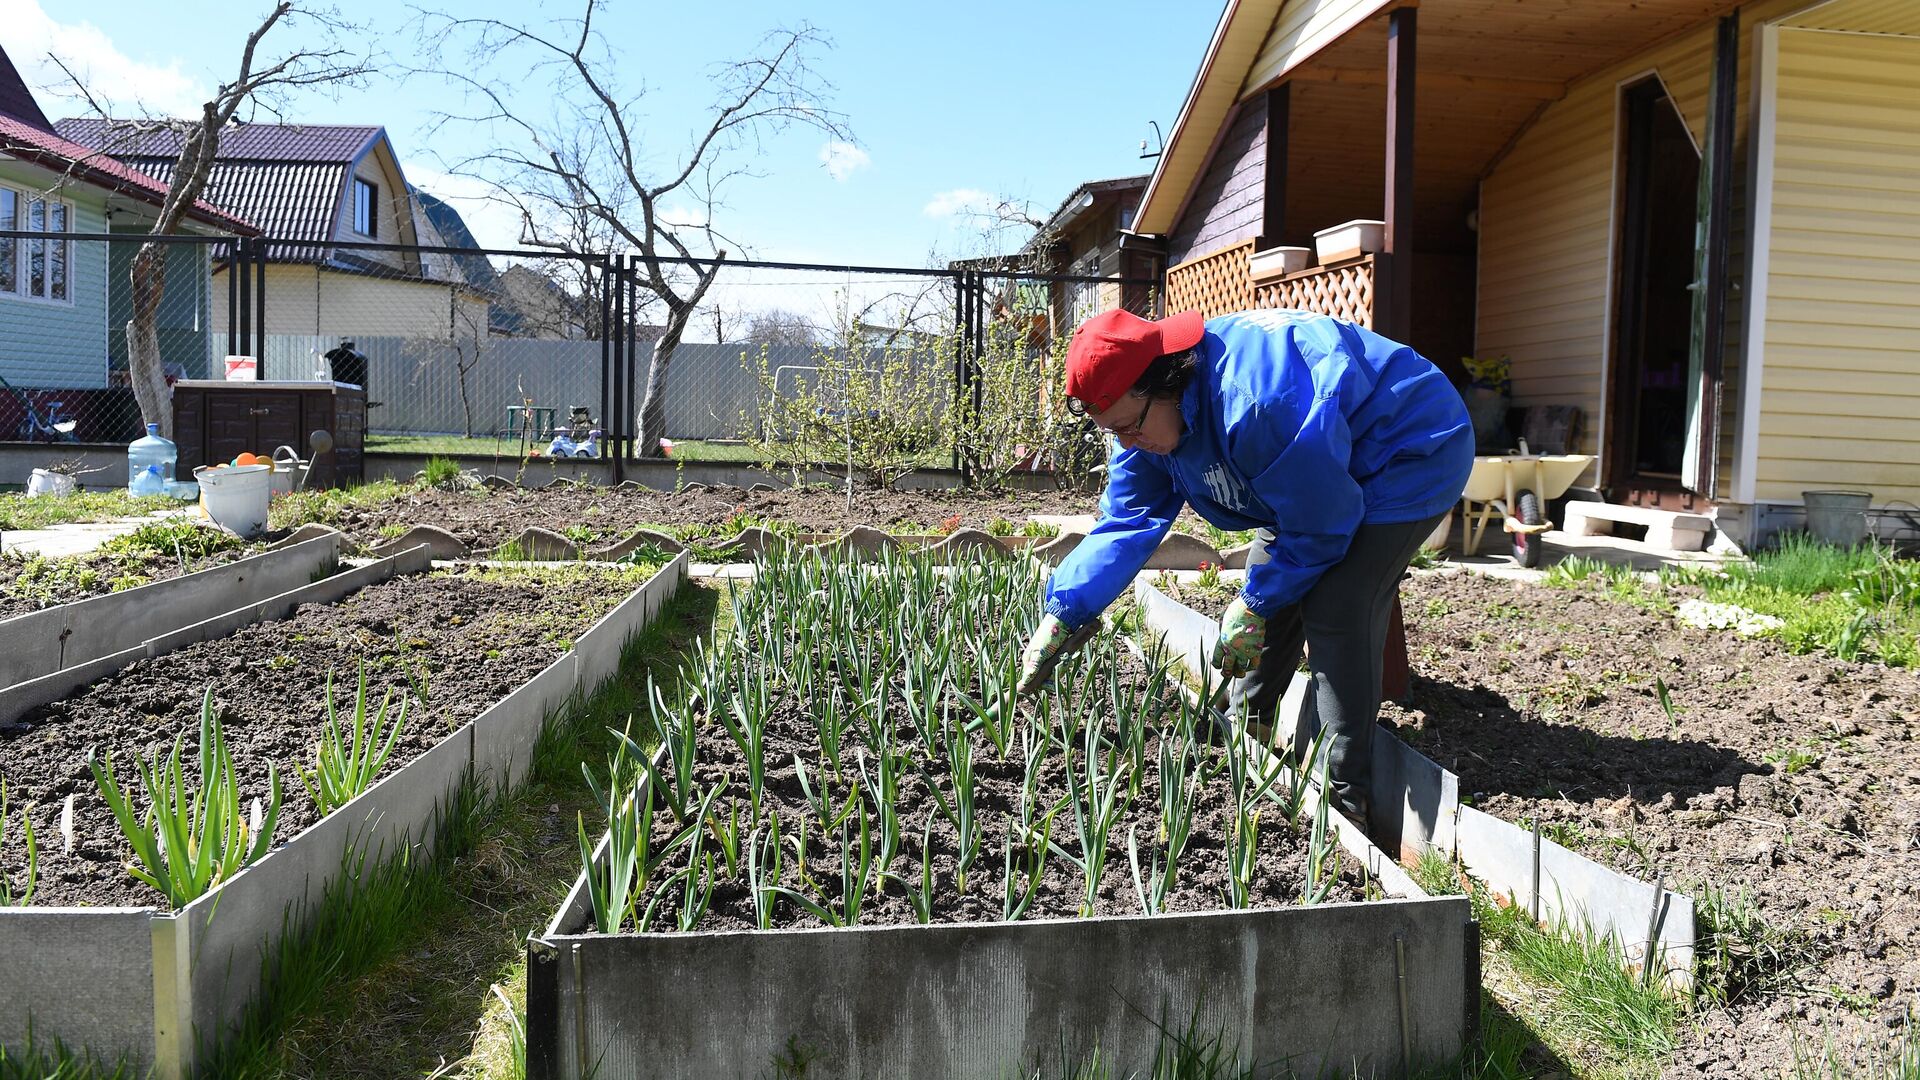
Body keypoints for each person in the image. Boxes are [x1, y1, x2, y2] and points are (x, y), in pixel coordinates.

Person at [1016, 307, 1474, 830]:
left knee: (1337, 601)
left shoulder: (1252, 402)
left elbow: (1320, 522)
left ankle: (1346, 797)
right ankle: (1242, 730)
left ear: (1165, 379)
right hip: (1315, 464)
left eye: (1128, 427)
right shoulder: (1145, 418)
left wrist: (1255, 601)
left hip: (1408, 446)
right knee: (1271, 575)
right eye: (1111, 432)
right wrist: (1065, 610)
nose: (1126, 444)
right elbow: (1127, 519)